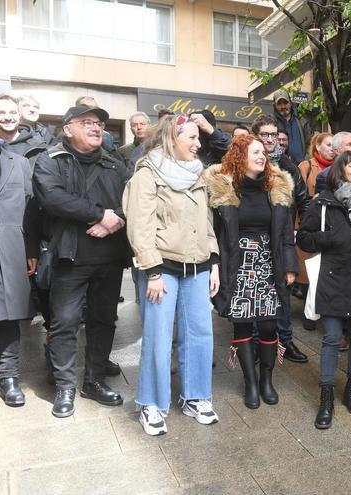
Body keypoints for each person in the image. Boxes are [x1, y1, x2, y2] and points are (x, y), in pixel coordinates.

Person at [123, 114, 221, 435]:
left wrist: (214, 262)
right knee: (158, 335)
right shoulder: (147, 174)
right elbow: (140, 224)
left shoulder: (198, 175)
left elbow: (207, 223)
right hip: (160, 269)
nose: (198, 144)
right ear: (171, 138)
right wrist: (151, 271)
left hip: (198, 266)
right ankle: (151, 403)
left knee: (200, 333)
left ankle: (196, 397)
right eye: (191, 137)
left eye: (198, 138)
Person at [33, 104, 130, 418]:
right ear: (67, 129)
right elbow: (53, 198)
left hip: (110, 256)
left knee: (104, 321)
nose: (96, 127)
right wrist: (101, 214)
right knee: (64, 323)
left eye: (99, 122)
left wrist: (118, 219)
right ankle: (64, 385)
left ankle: (94, 380)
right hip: (69, 257)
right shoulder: (50, 161)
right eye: (86, 122)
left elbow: (135, 199)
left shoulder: (115, 163)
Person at [204, 134, 298, 409]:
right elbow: (215, 234)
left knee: (269, 325)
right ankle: (250, 383)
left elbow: (286, 234)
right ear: (239, 156)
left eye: (263, 153)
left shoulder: (276, 188)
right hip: (238, 264)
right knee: (242, 323)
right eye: (255, 152)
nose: (261, 156)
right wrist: (214, 267)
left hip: (270, 262)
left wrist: (290, 265)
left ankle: (266, 380)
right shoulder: (224, 189)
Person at [297, 150, 351, 429]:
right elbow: (304, 239)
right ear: (340, 169)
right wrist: (330, 238)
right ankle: (326, 396)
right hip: (333, 279)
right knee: (332, 338)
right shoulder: (323, 202)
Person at [249, 115, 309, 363]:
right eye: (265, 134)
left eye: (274, 134)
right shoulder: (248, 164)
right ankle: (252, 344)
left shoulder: (289, 166)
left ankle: (285, 341)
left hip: (282, 240)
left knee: (282, 292)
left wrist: (298, 229)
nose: (271, 139)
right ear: (256, 136)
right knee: (253, 293)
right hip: (254, 240)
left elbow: (305, 202)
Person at [0, 141, 38, 407]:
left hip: (9, 248)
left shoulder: (18, 162)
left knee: (8, 313)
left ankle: (8, 375)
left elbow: (32, 210)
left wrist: (32, 249)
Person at [295, 132, 334, 331]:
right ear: (317, 146)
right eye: (328, 144)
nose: (332, 148)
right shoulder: (306, 166)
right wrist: (296, 227)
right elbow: (299, 199)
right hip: (309, 222)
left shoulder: (340, 166)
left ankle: (323, 309)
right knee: (309, 270)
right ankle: (309, 312)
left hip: (331, 224)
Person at [272, 90, 306, 163]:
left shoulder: (301, 121)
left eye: (285, 103)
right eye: (279, 104)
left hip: (301, 166)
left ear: (290, 103)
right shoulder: (271, 123)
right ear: (274, 106)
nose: (283, 106)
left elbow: (310, 142)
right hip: (279, 166)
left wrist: (306, 160)